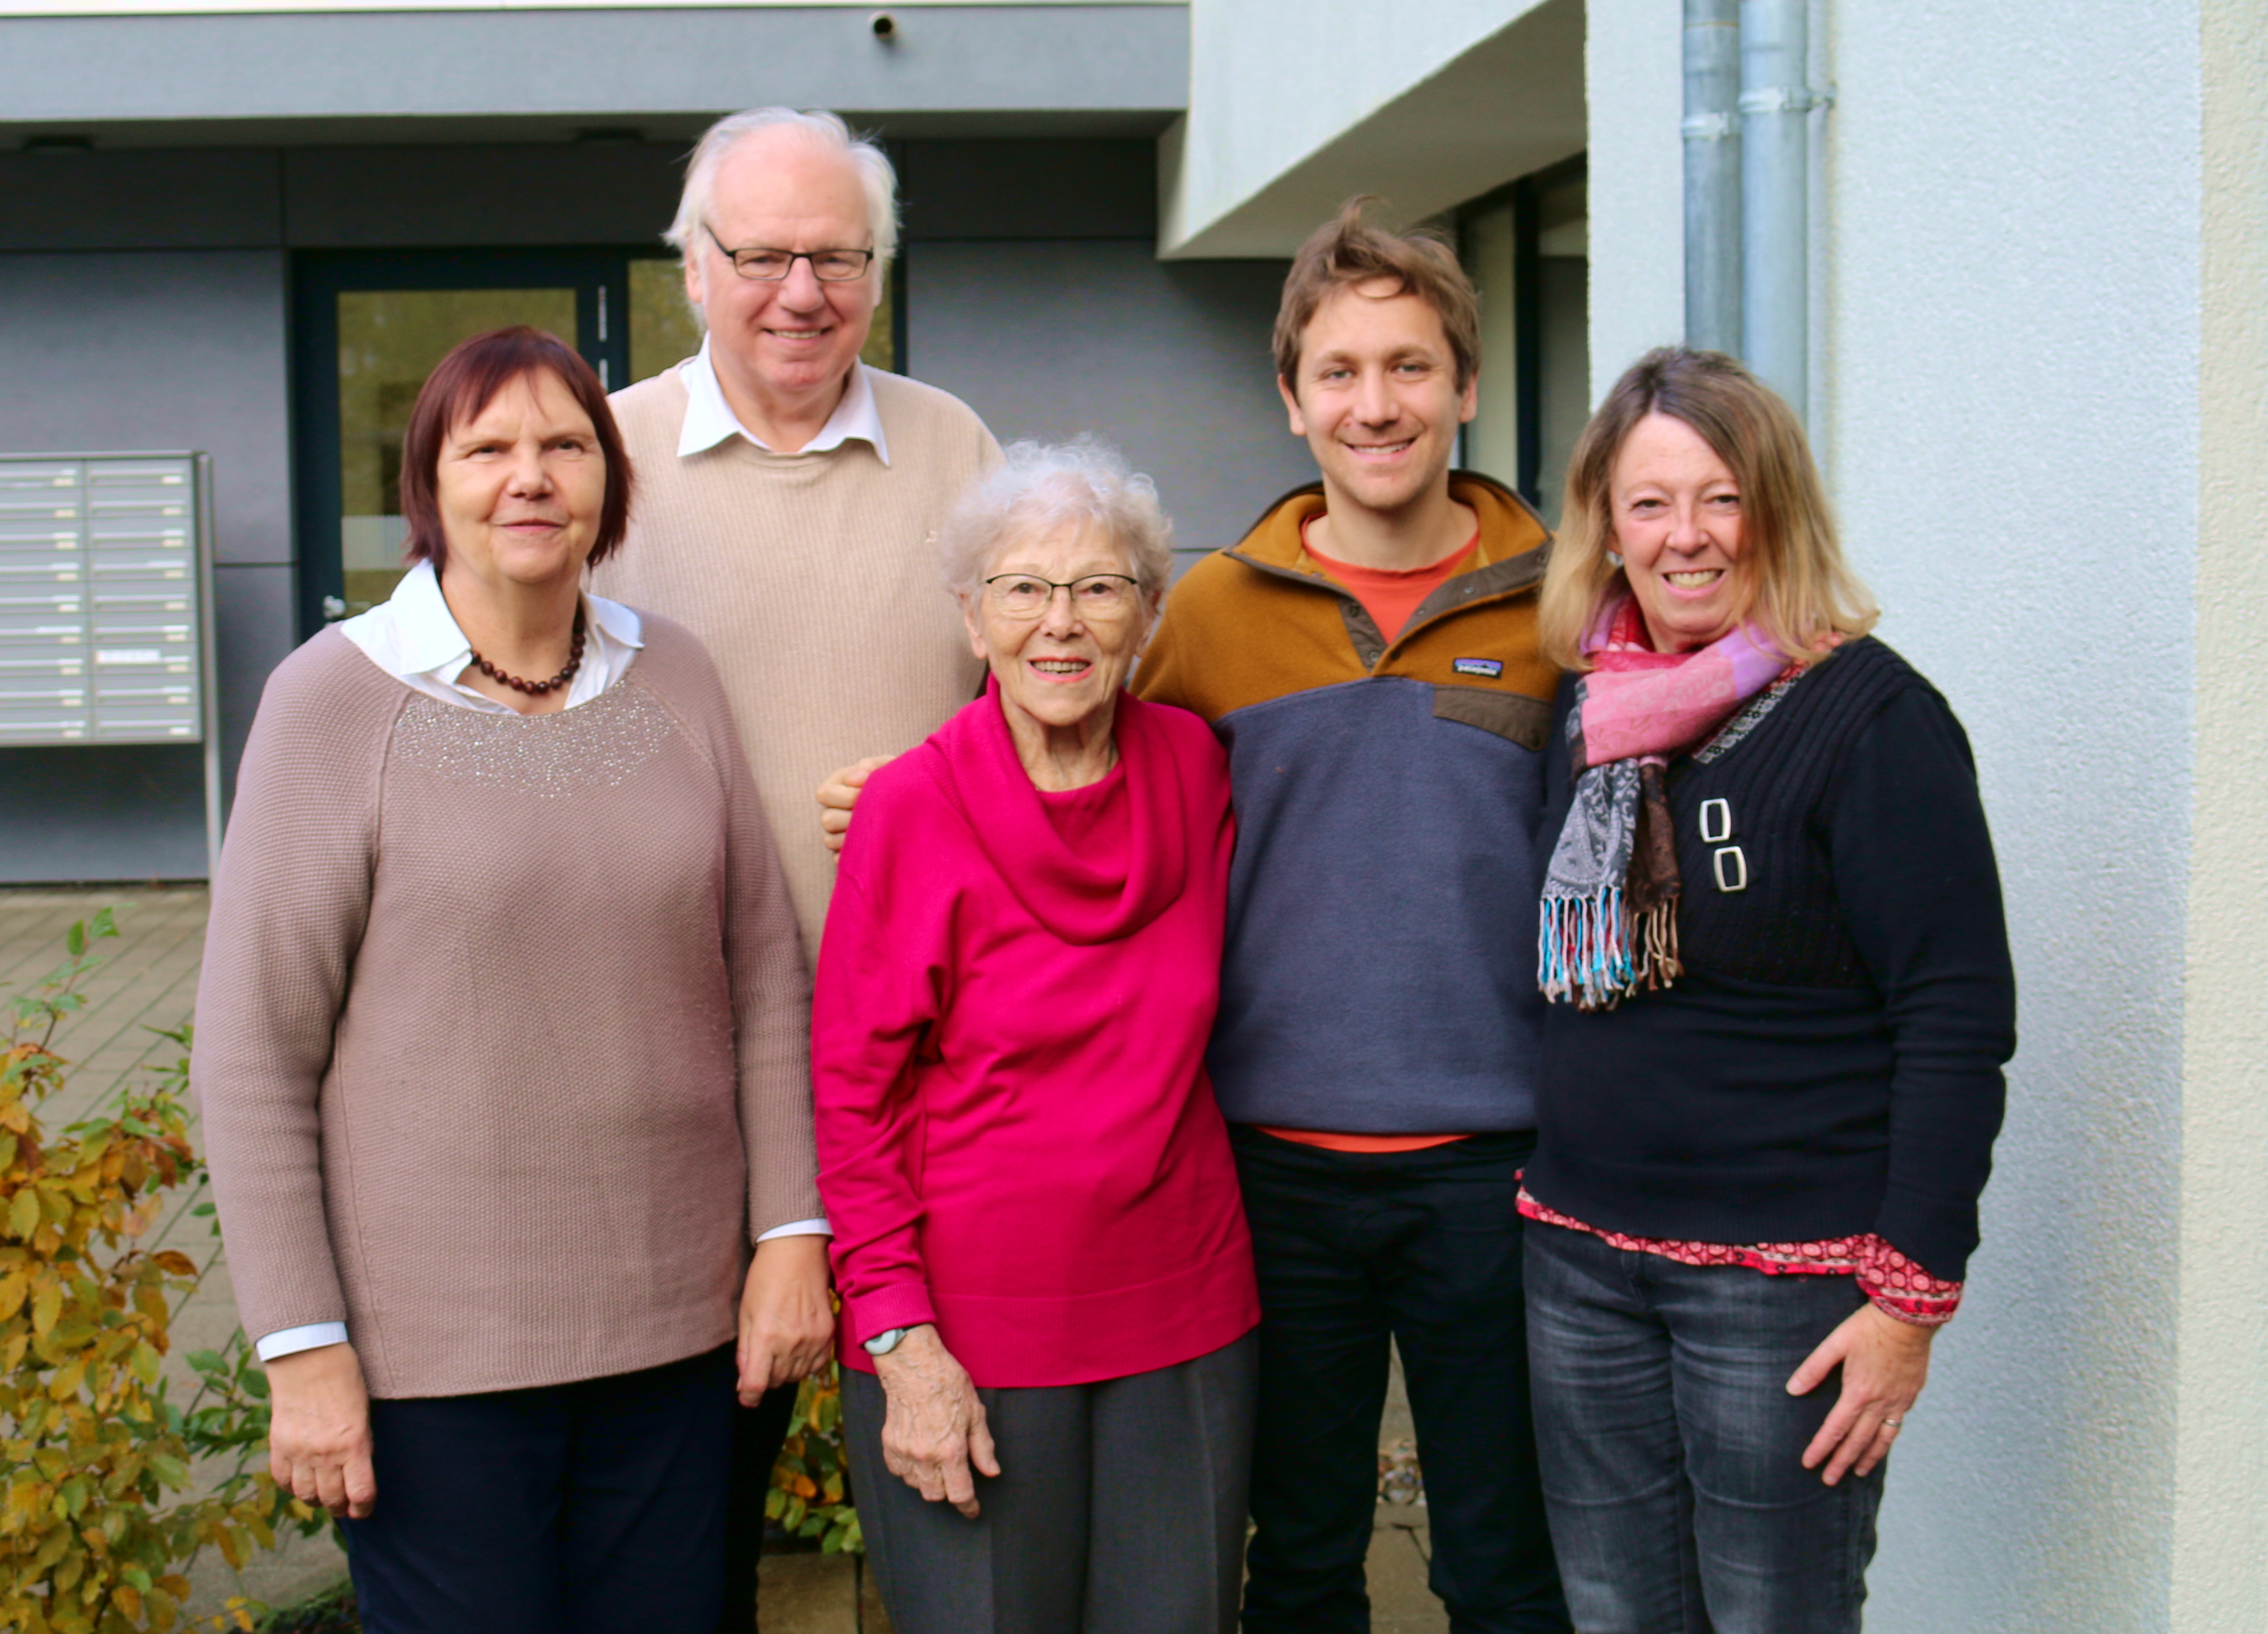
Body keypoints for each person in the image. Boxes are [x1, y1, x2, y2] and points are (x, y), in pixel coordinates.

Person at [823, 199, 1571, 1632]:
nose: (1376, 404)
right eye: (1339, 372)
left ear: (1466, 386)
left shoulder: (1556, 600)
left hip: (1492, 1163)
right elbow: (1053, 715)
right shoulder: (1214, 614)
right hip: (1271, 1171)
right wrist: (911, 799)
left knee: (1500, 1559)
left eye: (1410, 367)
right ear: (1288, 397)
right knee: (1294, 1560)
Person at [193, 327, 819, 1633]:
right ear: (431, 484)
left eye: (564, 445)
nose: (527, 477)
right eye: (486, 448)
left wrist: (787, 1239)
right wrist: (302, 1348)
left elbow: (763, 980)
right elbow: (253, 1055)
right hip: (435, 1370)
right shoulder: (332, 703)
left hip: (682, 1340)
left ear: (609, 481)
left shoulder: (678, 675)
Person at [1520, 346, 2016, 1632]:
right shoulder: (1584, 713)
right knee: (1615, 1614)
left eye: (1720, 497)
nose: (1684, 537)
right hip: (1578, 1264)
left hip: (1781, 1288)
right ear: (1606, 526)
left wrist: (1908, 1300)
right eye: (1647, 503)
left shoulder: (1871, 719)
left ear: (1775, 509)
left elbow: (1954, 1018)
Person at [588, 106, 1001, 1624]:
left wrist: (938, 791)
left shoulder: (954, 445)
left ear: (877, 272)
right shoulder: (600, 456)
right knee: (689, 1527)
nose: (799, 291)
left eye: (835, 255)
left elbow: (1045, 700)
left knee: (961, 1501)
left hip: (937, 1078)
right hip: (686, 1086)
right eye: (759, 254)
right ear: (691, 270)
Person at [814, 442, 1261, 1634]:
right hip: (967, 1328)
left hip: (1184, 1316)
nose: (1057, 623)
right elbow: (851, 1098)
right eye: (1021, 587)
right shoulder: (907, 807)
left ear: (1147, 612)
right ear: (971, 617)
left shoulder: (1197, 768)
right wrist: (900, 1341)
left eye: (1098, 587)